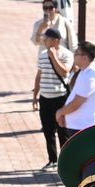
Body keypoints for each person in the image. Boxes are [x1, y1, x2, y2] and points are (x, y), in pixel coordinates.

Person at [34, 24, 72, 168]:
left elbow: (64, 72)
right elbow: (39, 75)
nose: (44, 40)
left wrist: (54, 56)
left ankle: (65, 160)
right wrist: (35, 94)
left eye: (47, 38)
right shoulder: (42, 55)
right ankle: (53, 160)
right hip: (45, 98)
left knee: (62, 131)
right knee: (48, 130)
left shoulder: (66, 54)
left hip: (60, 98)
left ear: (56, 40)